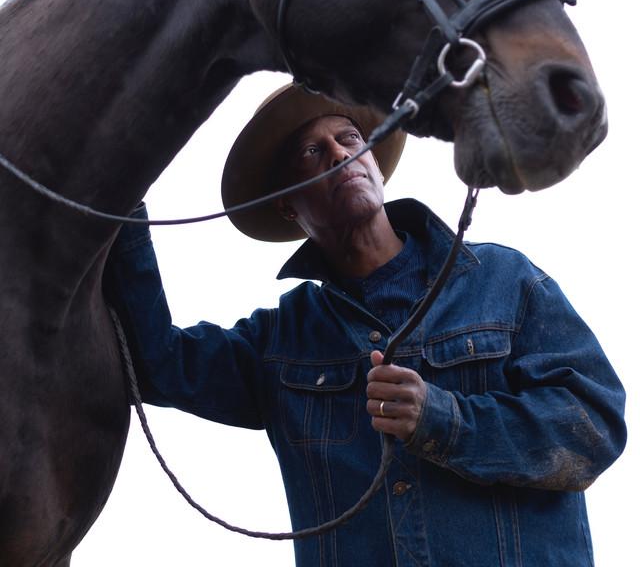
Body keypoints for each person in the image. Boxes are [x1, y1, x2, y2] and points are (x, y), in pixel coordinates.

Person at [105, 84, 626, 566]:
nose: (337, 152)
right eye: (312, 152)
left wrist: (443, 419)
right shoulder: (280, 340)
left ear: (373, 161)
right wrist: (119, 197)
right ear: (287, 204)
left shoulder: (506, 281)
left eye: (349, 137)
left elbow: (595, 426)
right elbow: (156, 365)